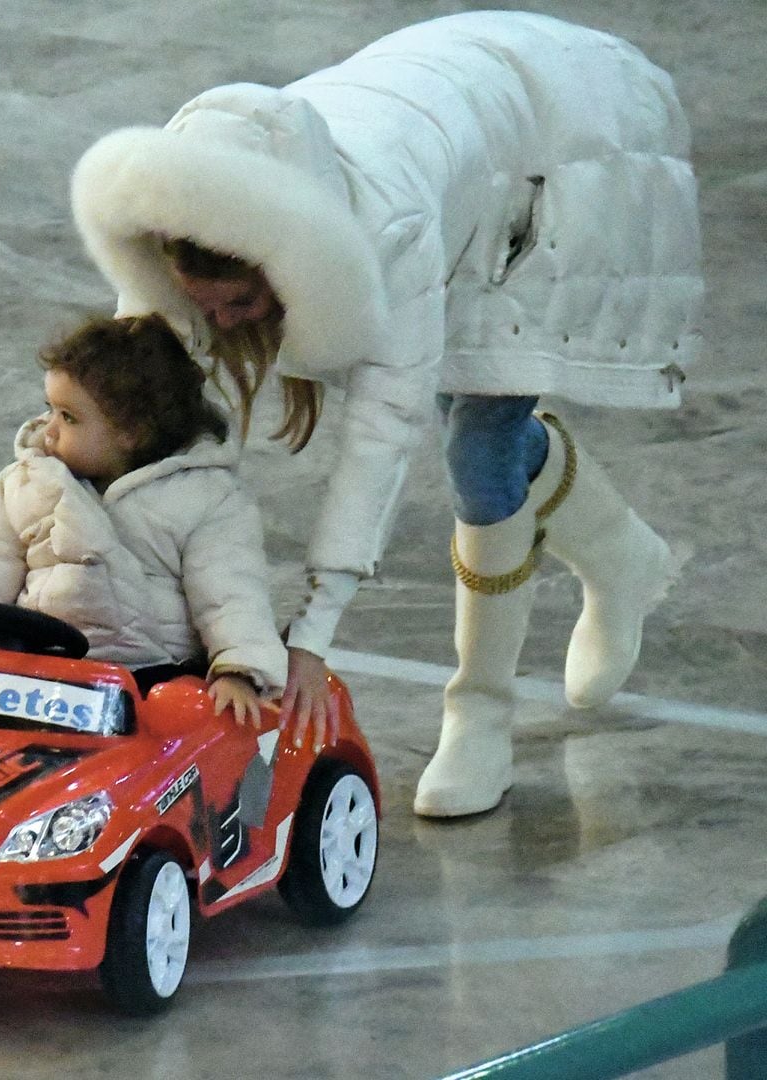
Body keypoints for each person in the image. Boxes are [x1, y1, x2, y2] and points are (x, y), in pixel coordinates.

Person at [68, 10, 703, 816]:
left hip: (547, 147)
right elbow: (129, 397)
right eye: (205, 305)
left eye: (240, 303)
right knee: (473, 426)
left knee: (477, 443)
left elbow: (378, 441)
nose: (223, 325)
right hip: (451, 136)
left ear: (287, 266)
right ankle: (624, 559)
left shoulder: (387, 235)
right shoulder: (197, 209)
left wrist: (310, 639)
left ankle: (481, 714)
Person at [0, 313, 288, 725]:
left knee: (173, 714)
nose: (48, 430)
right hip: (37, 675)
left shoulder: (204, 499)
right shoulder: (26, 485)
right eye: (49, 410)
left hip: (149, 681)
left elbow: (231, 595)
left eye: (68, 417)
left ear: (133, 432)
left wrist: (238, 669)